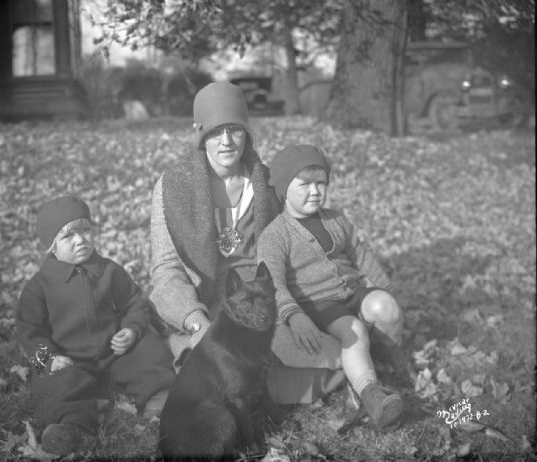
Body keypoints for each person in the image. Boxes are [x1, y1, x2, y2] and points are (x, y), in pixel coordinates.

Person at [149, 81, 344, 405]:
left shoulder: (268, 183)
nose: (226, 141)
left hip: (261, 304)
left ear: (247, 134)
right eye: (215, 132)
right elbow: (166, 267)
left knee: (331, 360)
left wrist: (292, 310)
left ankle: (261, 388)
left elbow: (292, 250)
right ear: (200, 135)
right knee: (211, 365)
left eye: (234, 130)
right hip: (206, 302)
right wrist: (196, 321)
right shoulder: (173, 186)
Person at [257, 144, 414, 430]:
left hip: (352, 293)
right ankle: (371, 394)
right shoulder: (275, 235)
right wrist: (294, 315)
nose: (315, 192)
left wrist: (384, 289)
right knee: (353, 331)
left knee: (385, 308)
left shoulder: (336, 219)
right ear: (283, 189)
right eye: (304, 185)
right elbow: (273, 283)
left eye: (321, 183)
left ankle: (387, 358)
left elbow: (360, 255)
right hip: (320, 304)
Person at [16, 196, 175, 456]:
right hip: (69, 358)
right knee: (54, 382)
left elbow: (133, 302)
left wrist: (131, 329)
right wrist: (49, 359)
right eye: (69, 236)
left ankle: (160, 396)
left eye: (85, 231)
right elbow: (28, 330)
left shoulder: (109, 270)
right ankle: (74, 427)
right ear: (51, 247)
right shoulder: (39, 287)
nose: (80, 240)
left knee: (148, 348)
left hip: (114, 349)